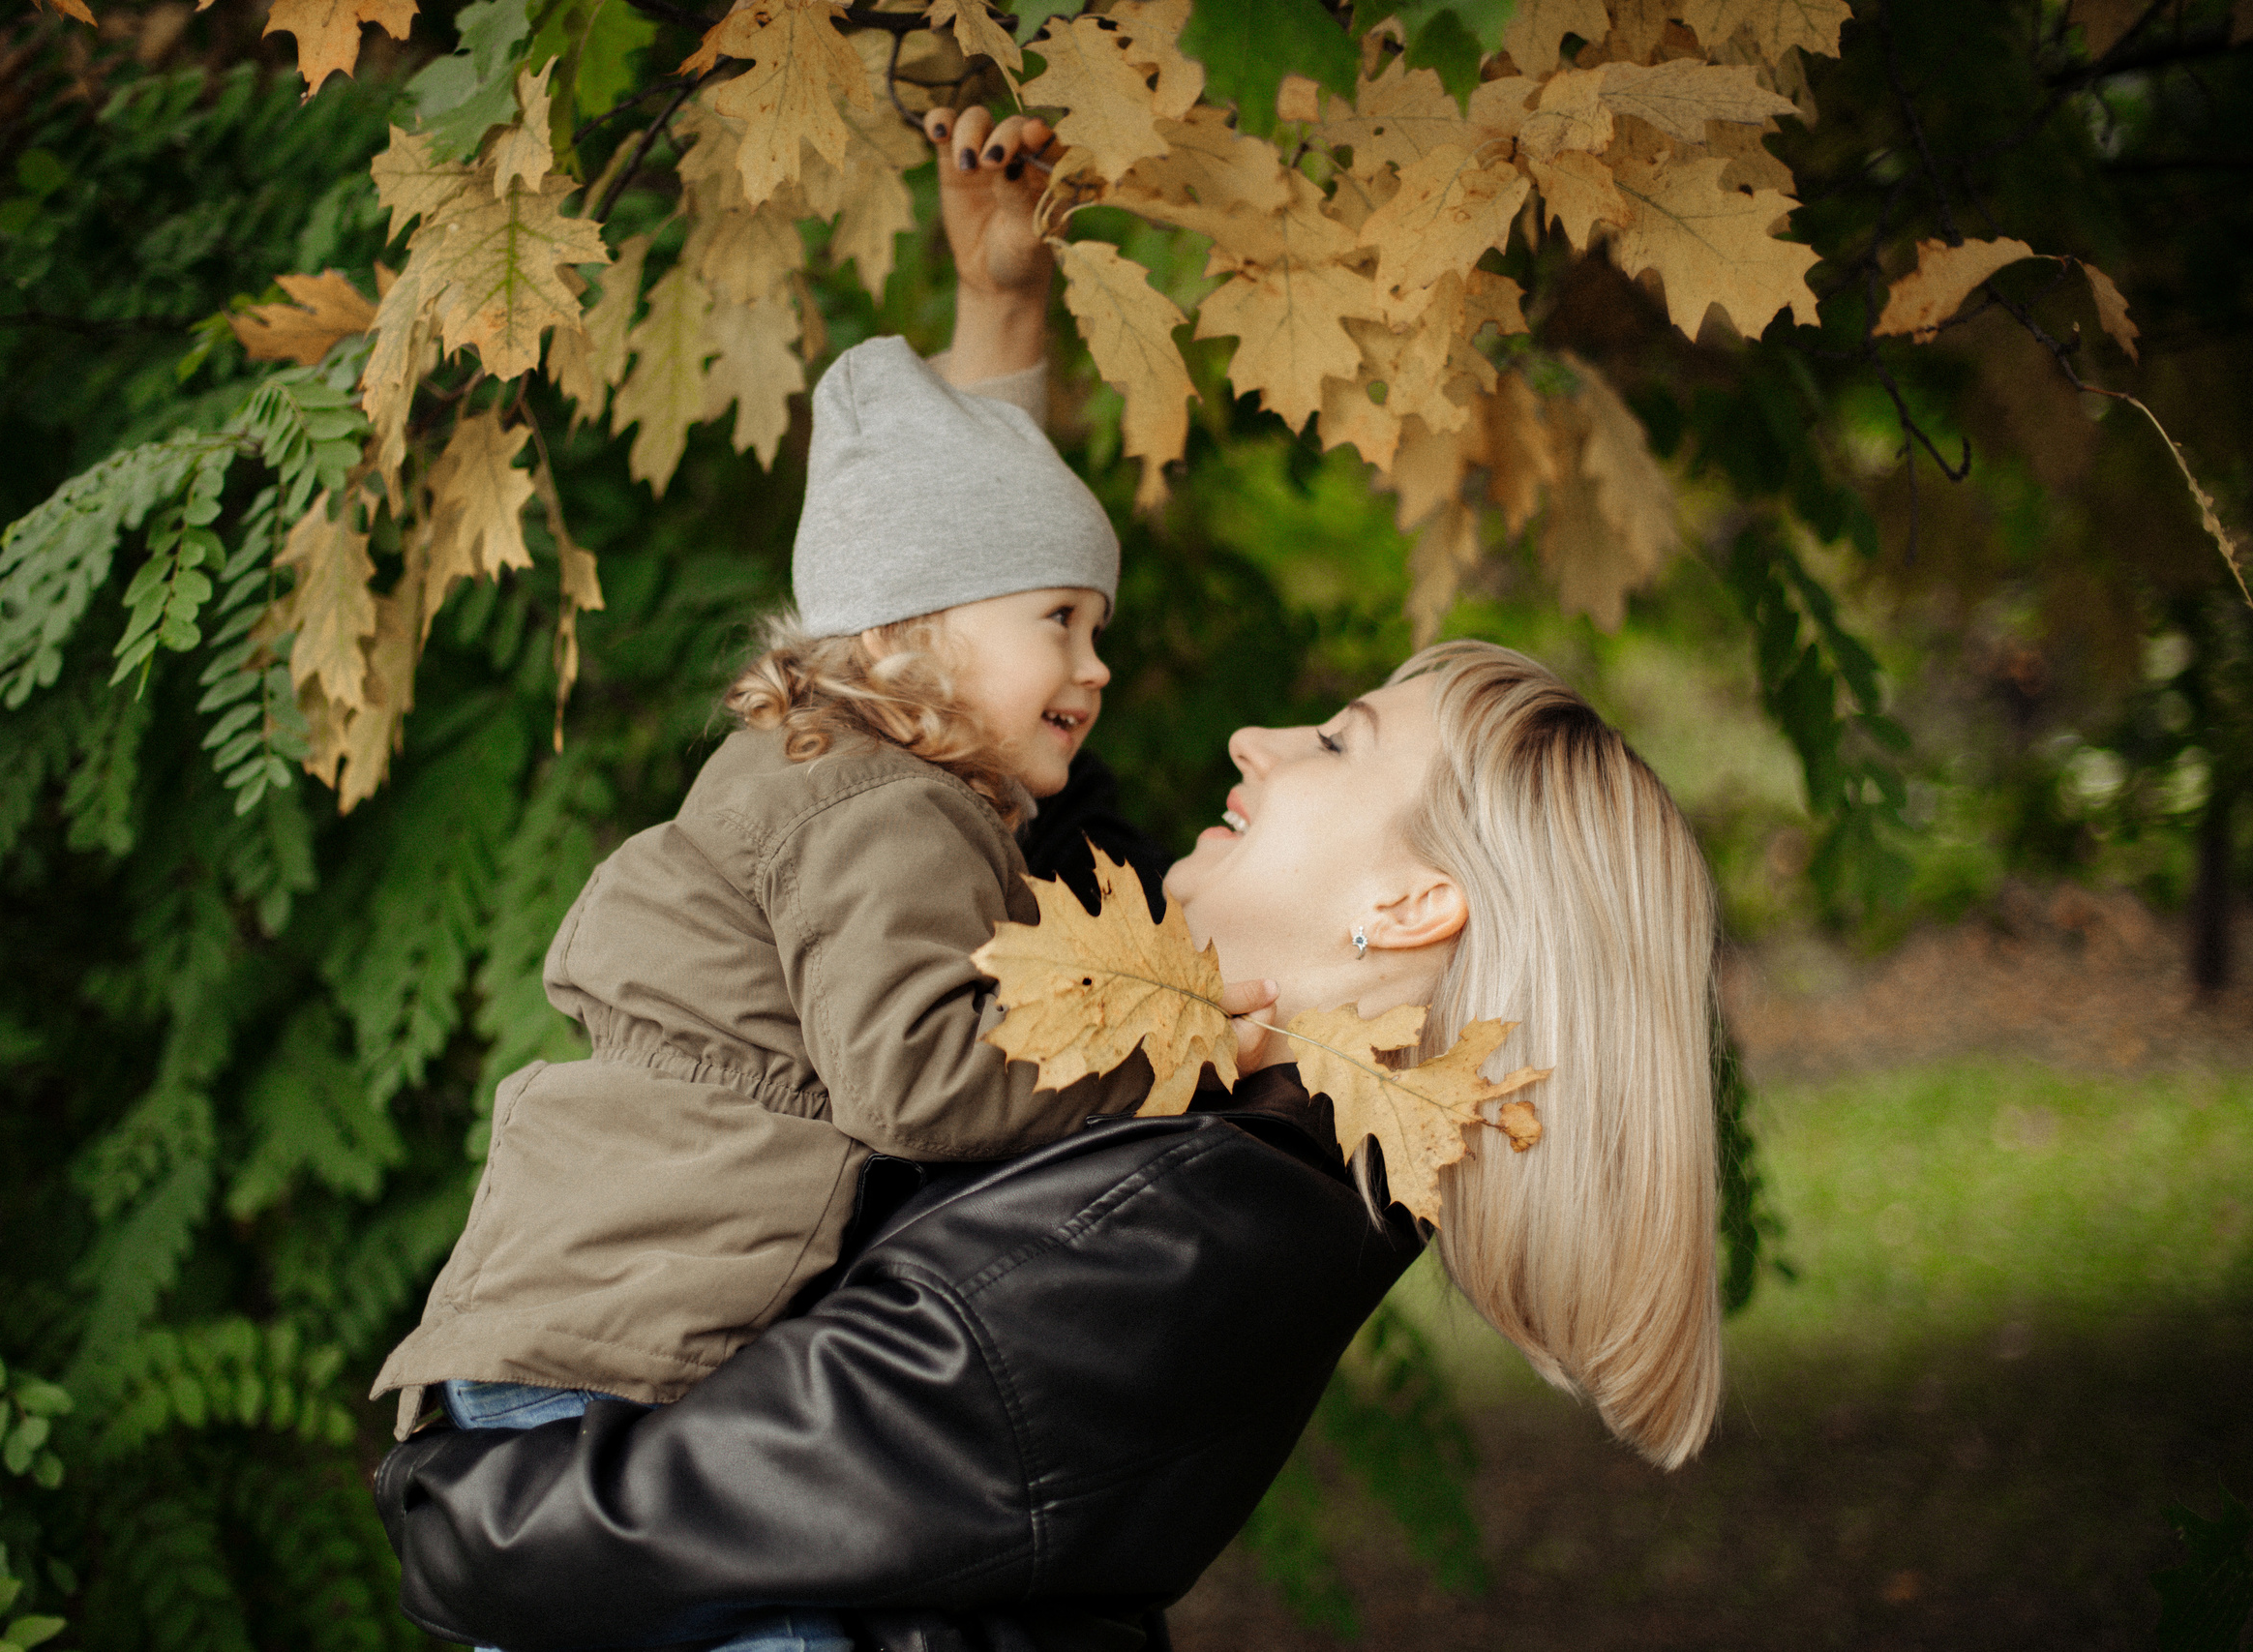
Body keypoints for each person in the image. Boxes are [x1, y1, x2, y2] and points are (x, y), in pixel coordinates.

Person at [373, 109, 1722, 1651]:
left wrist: (451, 1511)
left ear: (1414, 908)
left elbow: (636, 1521)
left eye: (1341, 746)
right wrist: (1000, 327)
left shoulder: (1186, 1220)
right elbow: (952, 668)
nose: (1256, 737)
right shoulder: (1209, 1074)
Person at [365, 104, 1250, 1652]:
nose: (1097, 667)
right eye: (1066, 621)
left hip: (574, 1348)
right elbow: (918, 1077)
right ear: (912, 636)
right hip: (607, 1375)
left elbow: (955, 530)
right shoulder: (887, 810)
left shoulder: (845, 763)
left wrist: (1003, 319)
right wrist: (1182, 1041)